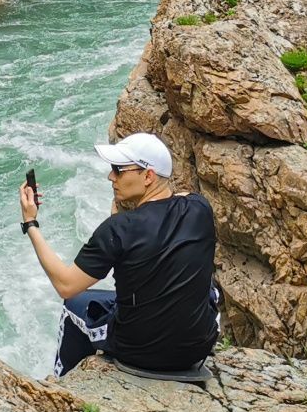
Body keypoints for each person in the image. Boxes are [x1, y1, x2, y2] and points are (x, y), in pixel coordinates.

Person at [17, 131, 221, 378]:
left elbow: (66, 285)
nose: (110, 176)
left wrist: (31, 223)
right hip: (196, 349)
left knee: (74, 306)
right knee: (209, 290)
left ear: (148, 176)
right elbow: (178, 199)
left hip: (138, 351)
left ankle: (65, 384)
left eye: (119, 169)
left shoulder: (118, 229)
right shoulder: (200, 208)